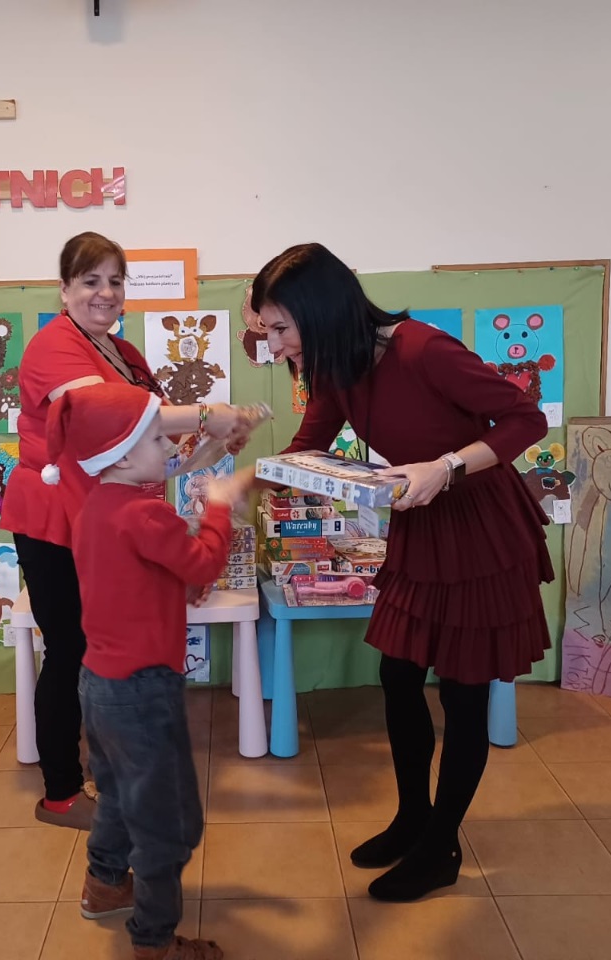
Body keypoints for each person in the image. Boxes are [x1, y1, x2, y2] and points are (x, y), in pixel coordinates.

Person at [235, 243, 553, 903]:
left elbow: (526, 418)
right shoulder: (337, 368)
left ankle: (441, 845)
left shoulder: (423, 349)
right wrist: (245, 482)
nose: (276, 345)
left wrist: (448, 466)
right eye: (269, 330)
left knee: (463, 693)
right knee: (399, 674)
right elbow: (308, 447)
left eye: (282, 328)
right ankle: (413, 818)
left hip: (480, 530)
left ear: (322, 310)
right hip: (421, 524)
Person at [0, 231, 248, 830]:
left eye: (115, 281)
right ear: (64, 289)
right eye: (91, 281)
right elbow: (101, 415)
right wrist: (209, 415)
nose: (105, 293)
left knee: (99, 647)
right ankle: (61, 792)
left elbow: (153, 438)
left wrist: (214, 440)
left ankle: (107, 768)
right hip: (56, 517)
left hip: (104, 518)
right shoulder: (53, 346)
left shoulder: (122, 353)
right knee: (71, 649)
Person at [46, 382, 235, 960]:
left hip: (99, 685)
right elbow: (205, 560)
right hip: (144, 689)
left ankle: (104, 884)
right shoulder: (147, 514)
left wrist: (180, 583)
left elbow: (134, 578)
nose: (170, 445)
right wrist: (220, 502)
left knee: (118, 795)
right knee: (166, 823)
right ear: (123, 456)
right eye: (157, 438)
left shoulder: (97, 506)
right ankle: (154, 942)